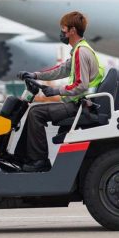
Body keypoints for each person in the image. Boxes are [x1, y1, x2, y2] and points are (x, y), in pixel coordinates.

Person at [16, 11, 104, 172]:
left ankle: (39, 161)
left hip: (78, 106)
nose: (61, 33)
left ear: (72, 31)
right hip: (79, 103)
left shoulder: (81, 52)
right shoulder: (80, 49)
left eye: (63, 29)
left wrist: (55, 91)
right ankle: (24, 158)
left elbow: (81, 85)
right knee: (35, 111)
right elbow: (61, 70)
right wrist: (35, 75)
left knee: (36, 113)